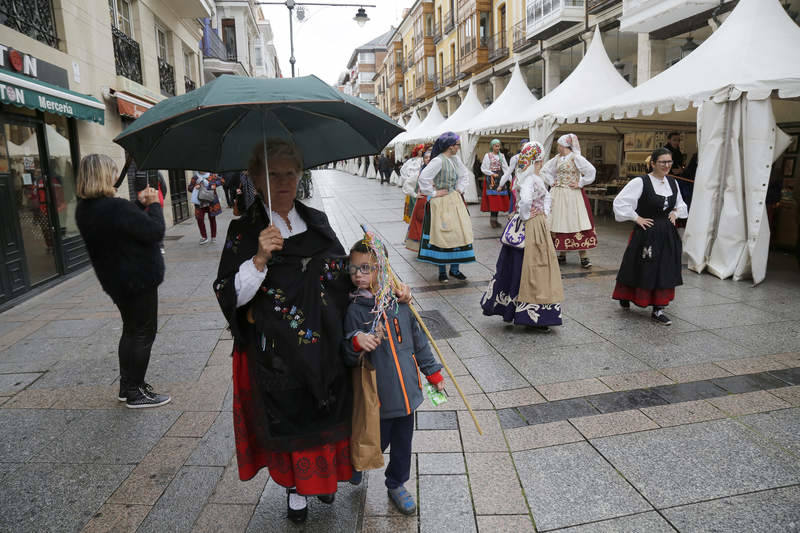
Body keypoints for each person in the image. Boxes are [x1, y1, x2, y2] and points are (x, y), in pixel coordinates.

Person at [213, 139, 411, 524]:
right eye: (273, 174)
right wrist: (259, 257)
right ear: (256, 177)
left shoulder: (316, 221)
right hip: (279, 354)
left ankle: (323, 483)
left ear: (300, 175)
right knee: (292, 420)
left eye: (290, 173)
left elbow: (347, 272)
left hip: (326, 345)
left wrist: (387, 285)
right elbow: (230, 295)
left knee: (328, 415)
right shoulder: (244, 230)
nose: (284, 182)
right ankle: (295, 491)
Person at [343, 239, 444, 514]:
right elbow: (348, 350)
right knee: (376, 438)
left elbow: (419, 339)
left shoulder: (400, 303)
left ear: (383, 269)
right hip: (379, 394)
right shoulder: (355, 309)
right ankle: (358, 462)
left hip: (408, 392)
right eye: (353, 269)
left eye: (366, 268)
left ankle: (396, 482)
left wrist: (432, 371)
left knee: (402, 443)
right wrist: (357, 341)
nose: (358, 275)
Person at [74, 154, 170, 408]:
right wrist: (154, 205)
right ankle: (135, 392)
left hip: (117, 281)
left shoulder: (85, 208)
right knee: (143, 333)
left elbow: (122, 228)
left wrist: (138, 206)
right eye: (113, 170)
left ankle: (128, 386)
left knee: (131, 330)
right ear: (104, 175)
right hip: (138, 279)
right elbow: (155, 231)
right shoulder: (114, 207)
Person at [481, 142, 563, 330]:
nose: (542, 163)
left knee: (523, 267)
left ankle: (519, 310)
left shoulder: (529, 177)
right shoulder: (530, 179)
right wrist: (529, 215)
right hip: (531, 226)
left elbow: (545, 198)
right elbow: (525, 201)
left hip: (534, 222)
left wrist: (542, 212)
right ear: (537, 159)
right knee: (532, 268)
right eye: (541, 159)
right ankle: (531, 314)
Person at [612, 147, 688, 326]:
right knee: (641, 266)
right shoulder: (641, 182)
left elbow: (681, 204)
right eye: (662, 162)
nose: (667, 165)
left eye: (669, 162)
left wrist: (676, 213)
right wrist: (636, 217)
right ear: (652, 163)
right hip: (647, 232)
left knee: (665, 268)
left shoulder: (672, 182)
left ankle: (658, 307)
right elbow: (620, 202)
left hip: (668, 233)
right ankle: (627, 295)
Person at [417, 131, 476, 282]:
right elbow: (423, 178)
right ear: (450, 146)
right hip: (441, 202)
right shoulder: (438, 161)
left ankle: (455, 270)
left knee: (457, 233)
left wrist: (459, 189)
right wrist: (434, 193)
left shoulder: (455, 159)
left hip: (454, 199)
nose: (458, 148)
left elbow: (464, 175)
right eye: (457, 145)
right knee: (442, 234)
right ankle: (442, 271)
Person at [540, 134, 597, 268]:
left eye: (559, 145)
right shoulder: (557, 159)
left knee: (575, 221)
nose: (557, 147)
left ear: (564, 146)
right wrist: (551, 181)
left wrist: (581, 183)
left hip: (572, 194)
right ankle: (562, 254)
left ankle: (584, 256)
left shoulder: (576, 157)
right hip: (558, 193)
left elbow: (591, 171)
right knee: (559, 221)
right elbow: (544, 171)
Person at [480, 139, 510, 228]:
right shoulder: (488, 155)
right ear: (492, 146)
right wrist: (492, 173)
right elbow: (483, 168)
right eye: (495, 146)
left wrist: (509, 178)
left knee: (498, 201)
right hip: (491, 180)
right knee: (493, 201)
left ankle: (495, 220)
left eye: (498, 146)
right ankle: (493, 220)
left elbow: (506, 168)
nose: (497, 147)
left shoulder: (502, 156)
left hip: (500, 179)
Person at [188, 171, 223, 245]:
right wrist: (195, 187)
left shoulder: (211, 175)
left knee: (212, 218)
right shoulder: (195, 177)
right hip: (199, 202)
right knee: (199, 218)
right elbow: (189, 188)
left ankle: (213, 237)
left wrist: (214, 184)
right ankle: (204, 237)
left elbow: (222, 180)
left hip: (211, 201)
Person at [499, 139, 529, 214]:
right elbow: (508, 172)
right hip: (518, 181)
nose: (525, 147)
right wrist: (501, 184)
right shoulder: (515, 158)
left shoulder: (531, 158)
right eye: (523, 145)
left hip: (529, 181)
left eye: (527, 146)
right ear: (521, 147)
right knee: (517, 201)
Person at [400, 144, 425, 224]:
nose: (422, 152)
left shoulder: (423, 160)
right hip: (412, 185)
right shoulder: (411, 161)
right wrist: (407, 179)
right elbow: (403, 170)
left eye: (422, 150)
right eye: (420, 150)